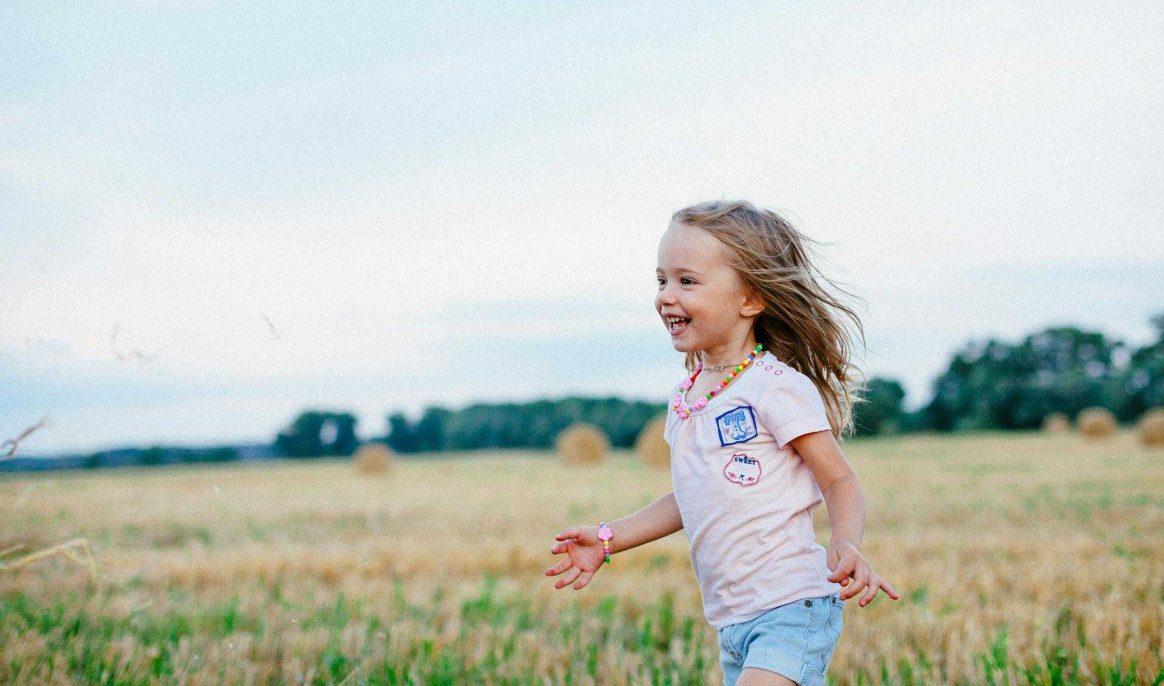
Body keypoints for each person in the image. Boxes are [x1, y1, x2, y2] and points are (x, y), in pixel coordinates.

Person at [544, 199, 899, 686]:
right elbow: (692, 495)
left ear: (750, 299)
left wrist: (845, 542)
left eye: (687, 281)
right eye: (661, 280)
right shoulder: (686, 399)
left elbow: (838, 478)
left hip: (792, 607)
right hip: (732, 621)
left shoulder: (775, 386)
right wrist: (610, 539)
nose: (667, 296)